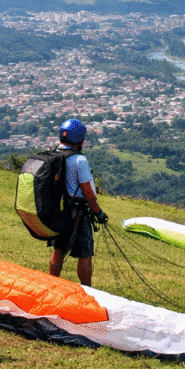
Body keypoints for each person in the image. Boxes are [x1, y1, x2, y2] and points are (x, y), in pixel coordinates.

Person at [47, 118, 107, 285]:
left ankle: (52, 283)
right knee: (85, 252)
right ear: (79, 139)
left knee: (59, 249)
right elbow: (88, 193)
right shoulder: (80, 161)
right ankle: (87, 289)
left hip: (59, 211)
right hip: (77, 212)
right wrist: (99, 212)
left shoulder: (54, 154)